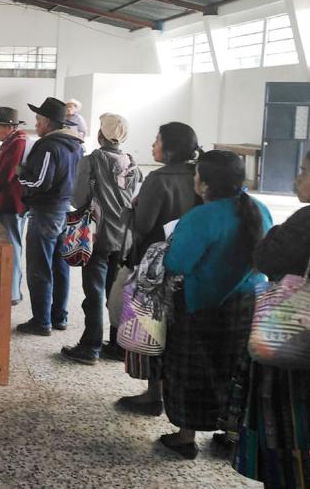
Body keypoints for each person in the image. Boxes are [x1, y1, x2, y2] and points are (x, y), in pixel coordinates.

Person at [158, 150, 272, 460]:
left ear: (205, 184)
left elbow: (178, 261)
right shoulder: (259, 209)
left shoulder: (201, 217)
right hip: (248, 305)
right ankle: (231, 434)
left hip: (202, 306)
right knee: (233, 370)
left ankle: (185, 438)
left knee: (193, 373)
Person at [227, 146, 310, 487]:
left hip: (297, 338)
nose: (298, 177)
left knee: (289, 427)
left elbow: (266, 258)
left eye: (305, 170)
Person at [115, 122, 201, 416]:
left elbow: (143, 225)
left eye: (157, 140)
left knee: (153, 327)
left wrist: (135, 206)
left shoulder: (158, 179)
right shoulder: (199, 175)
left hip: (157, 267)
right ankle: (174, 399)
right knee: (179, 332)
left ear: (171, 147)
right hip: (190, 263)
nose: (153, 145)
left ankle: (154, 394)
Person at [60, 113, 142, 365]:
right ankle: (118, 345)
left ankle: (90, 346)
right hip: (125, 237)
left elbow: (78, 198)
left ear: (100, 135)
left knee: (93, 292)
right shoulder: (132, 163)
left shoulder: (92, 160)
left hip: (97, 235)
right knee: (115, 292)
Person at [15, 97, 83, 336]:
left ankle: (41, 322)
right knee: (60, 267)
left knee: (40, 268)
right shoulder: (76, 146)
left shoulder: (48, 146)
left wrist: (21, 175)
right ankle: (59, 317)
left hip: (46, 214)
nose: (36, 124)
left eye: (38, 119)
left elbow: (41, 181)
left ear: (47, 122)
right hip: (66, 211)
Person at [0, 106, 28, 307]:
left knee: (9, 248)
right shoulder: (13, 141)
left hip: (12, 202)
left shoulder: (16, 144)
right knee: (10, 246)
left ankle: (9, 294)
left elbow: (6, 173)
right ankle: (7, 289)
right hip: (11, 201)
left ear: (8, 127)